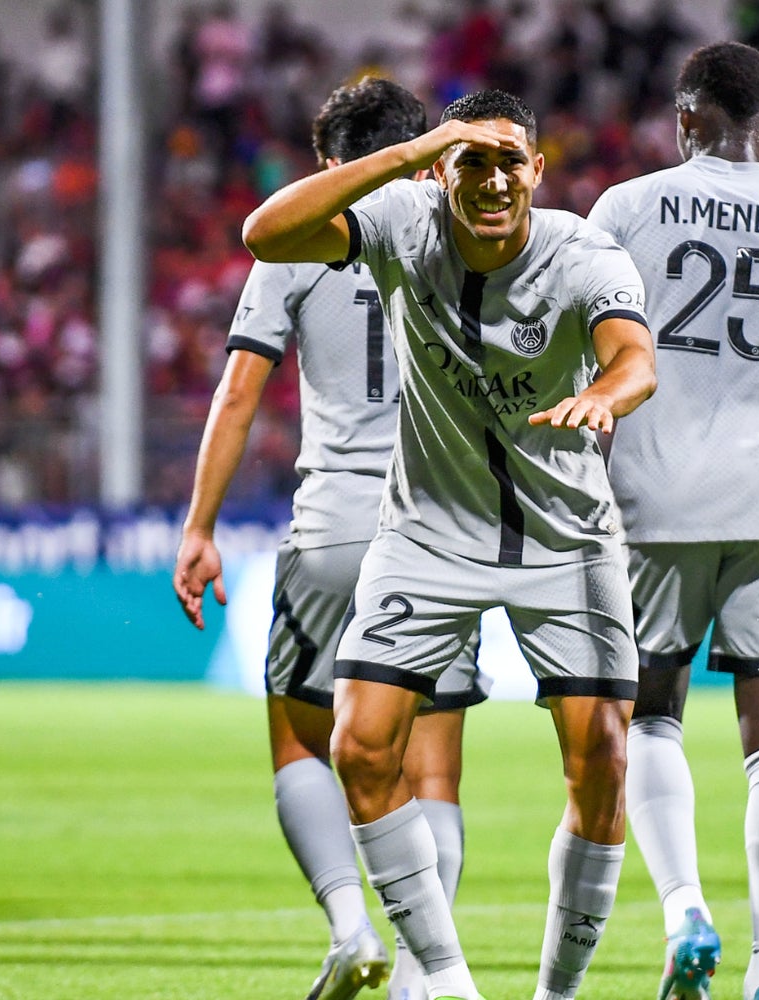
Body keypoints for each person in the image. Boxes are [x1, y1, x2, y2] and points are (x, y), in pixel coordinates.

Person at [244, 89, 658, 1000]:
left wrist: (608, 394)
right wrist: (405, 157)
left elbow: (634, 355)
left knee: (603, 762)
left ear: (538, 171)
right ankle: (447, 980)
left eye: (512, 159)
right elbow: (266, 234)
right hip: (426, 531)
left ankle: (555, 994)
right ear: (441, 169)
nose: (495, 178)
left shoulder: (584, 251)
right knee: (358, 745)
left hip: (565, 539)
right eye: (472, 160)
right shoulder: (402, 218)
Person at [173, 77, 486, 1000]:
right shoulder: (463, 230)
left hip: (338, 522)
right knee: (431, 760)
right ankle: (429, 974)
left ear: (328, 163)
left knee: (301, 743)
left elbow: (238, 393)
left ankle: (354, 929)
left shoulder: (302, 235)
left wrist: (199, 527)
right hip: (444, 524)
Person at [586, 41, 759, 1000]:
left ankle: (683, 913)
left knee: (652, 717)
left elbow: (581, 357)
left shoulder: (625, 209)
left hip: (653, 503)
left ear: (683, 118)